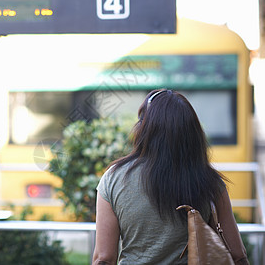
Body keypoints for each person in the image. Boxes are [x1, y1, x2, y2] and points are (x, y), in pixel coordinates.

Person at [92, 89, 249, 265]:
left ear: (144, 128)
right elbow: (237, 254)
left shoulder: (114, 179)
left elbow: (104, 258)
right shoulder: (210, 182)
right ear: (192, 133)